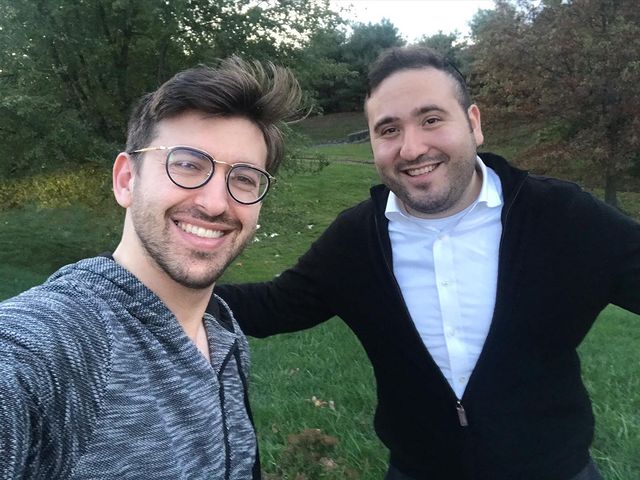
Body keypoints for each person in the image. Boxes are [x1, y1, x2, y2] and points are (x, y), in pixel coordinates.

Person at [214, 46, 640, 480]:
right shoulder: (357, 239)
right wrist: (174, 295)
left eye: (431, 120)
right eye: (389, 130)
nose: (412, 148)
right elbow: (274, 305)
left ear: (473, 123)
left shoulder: (563, 216)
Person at [0, 57, 300, 479]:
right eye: (188, 164)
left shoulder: (223, 331)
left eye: (244, 178)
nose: (216, 203)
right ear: (126, 180)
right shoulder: (59, 343)